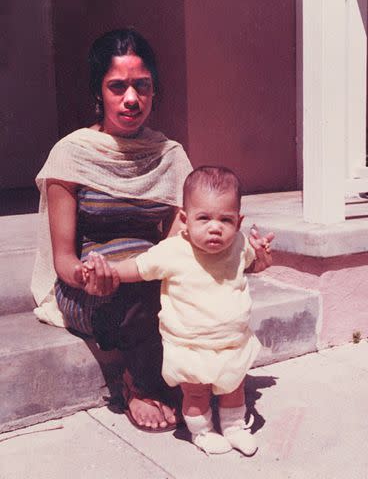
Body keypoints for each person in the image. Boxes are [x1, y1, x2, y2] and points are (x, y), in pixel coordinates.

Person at [31, 28, 193, 432]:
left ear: (155, 91)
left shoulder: (170, 156)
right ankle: (139, 386)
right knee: (134, 290)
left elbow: (181, 239)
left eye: (142, 86)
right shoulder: (72, 153)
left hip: (146, 278)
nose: (132, 99)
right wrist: (88, 280)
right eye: (117, 87)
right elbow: (65, 260)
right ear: (98, 93)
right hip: (88, 287)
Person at [83, 166, 274, 455]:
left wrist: (261, 257)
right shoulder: (173, 250)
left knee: (234, 388)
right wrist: (108, 271)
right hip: (189, 344)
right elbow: (138, 267)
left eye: (225, 219)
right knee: (195, 394)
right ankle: (203, 432)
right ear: (185, 220)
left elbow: (252, 264)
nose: (215, 227)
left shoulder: (239, 244)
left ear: (239, 221)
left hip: (232, 341)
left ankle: (234, 428)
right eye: (204, 218)